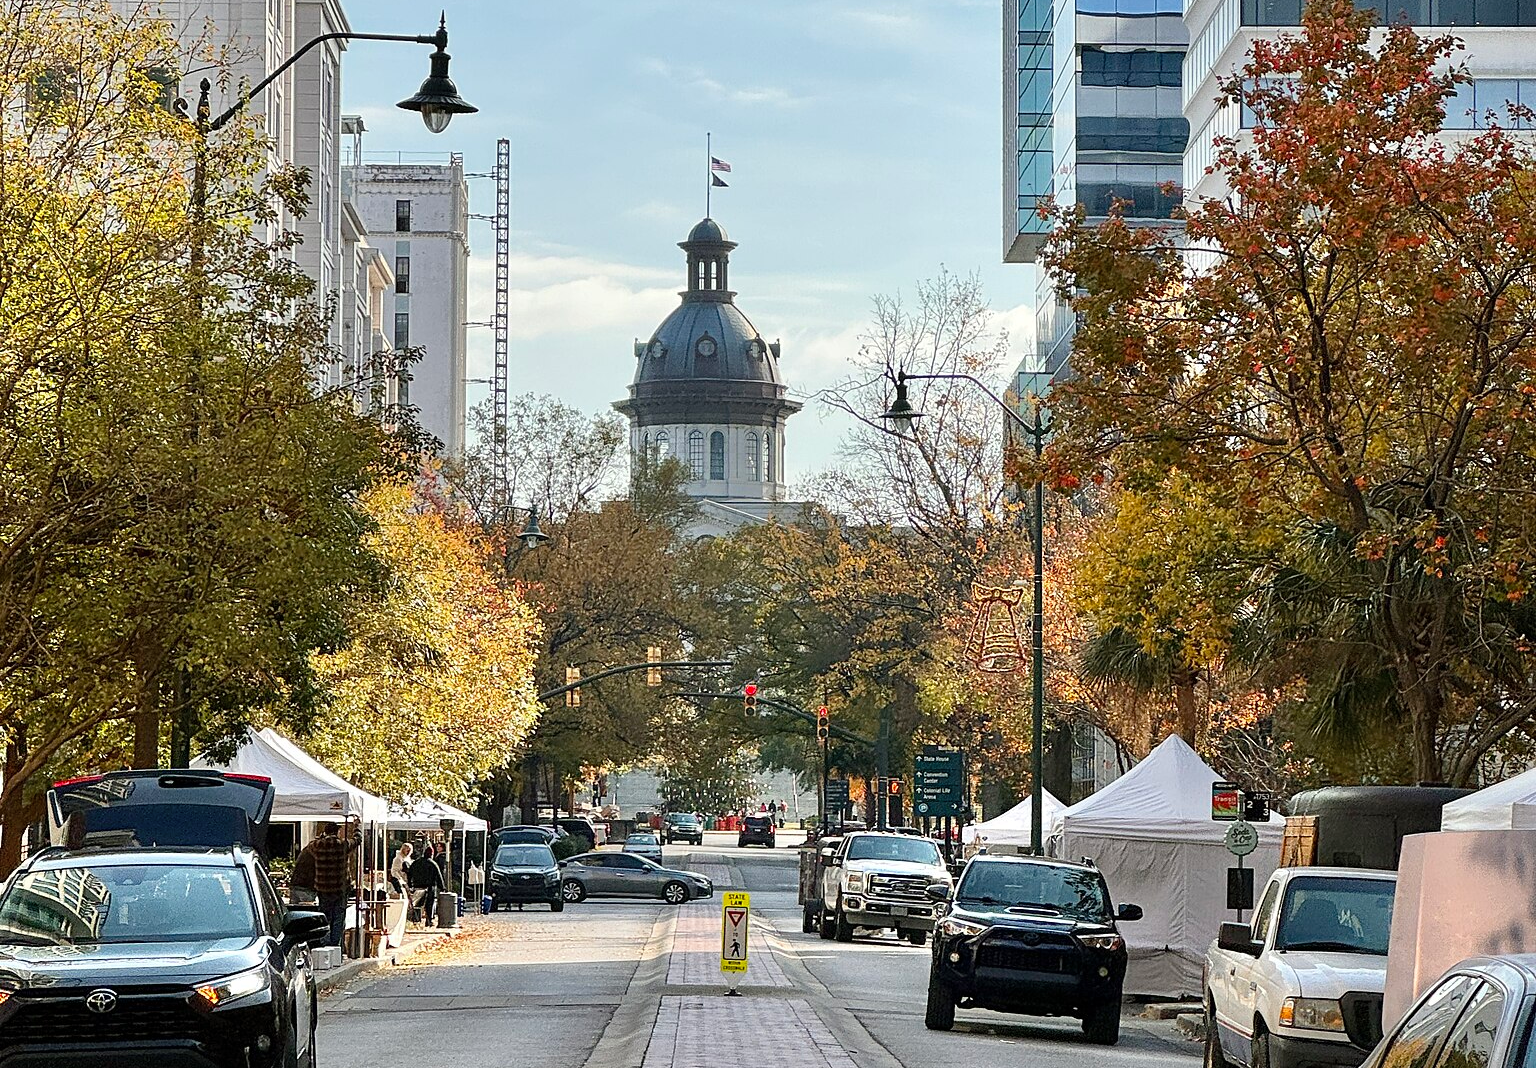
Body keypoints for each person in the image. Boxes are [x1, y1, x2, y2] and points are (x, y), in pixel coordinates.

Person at [302, 822, 359, 949]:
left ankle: (324, 942)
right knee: (339, 917)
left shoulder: (317, 845)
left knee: (325, 916)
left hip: (323, 888)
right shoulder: (343, 845)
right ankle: (335, 944)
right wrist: (356, 828)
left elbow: (310, 845)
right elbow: (357, 840)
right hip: (340, 887)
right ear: (337, 832)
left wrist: (322, 837)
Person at [408, 843, 446, 926]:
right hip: (429, 887)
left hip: (417, 886)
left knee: (418, 904)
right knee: (429, 904)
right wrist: (442, 887)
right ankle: (429, 920)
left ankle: (416, 920)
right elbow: (438, 876)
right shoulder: (433, 864)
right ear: (431, 854)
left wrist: (410, 885)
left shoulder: (416, 862)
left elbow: (409, 873)